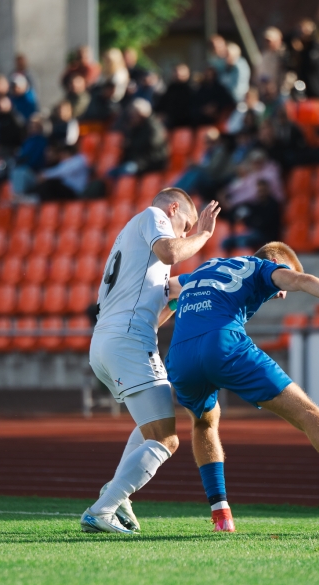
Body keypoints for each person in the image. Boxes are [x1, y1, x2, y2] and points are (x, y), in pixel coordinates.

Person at [165, 242, 319, 531]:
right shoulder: (261, 267)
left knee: (203, 424)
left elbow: (164, 289)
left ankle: (221, 515)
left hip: (180, 356)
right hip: (222, 343)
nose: (283, 294)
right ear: (277, 261)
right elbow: (300, 280)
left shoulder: (202, 269)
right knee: (307, 412)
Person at [81, 189, 220, 534]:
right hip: (128, 341)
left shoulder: (134, 243)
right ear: (173, 209)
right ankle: (102, 509)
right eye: (184, 226)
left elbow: (159, 307)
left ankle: (117, 495)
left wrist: (177, 299)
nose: (184, 234)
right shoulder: (153, 216)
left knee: (151, 426)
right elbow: (170, 249)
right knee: (166, 439)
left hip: (108, 342)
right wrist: (204, 235)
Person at [286, 20, 319, 99]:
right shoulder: (294, 42)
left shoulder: (315, 46)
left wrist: (301, 51)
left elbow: (312, 63)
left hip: (313, 85)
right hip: (299, 83)